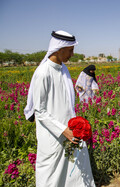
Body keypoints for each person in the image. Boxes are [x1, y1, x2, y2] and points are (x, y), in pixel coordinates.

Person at [24, 30, 95, 186]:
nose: (72, 54)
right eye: (70, 50)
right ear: (59, 49)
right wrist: (63, 130)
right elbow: (40, 112)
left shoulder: (63, 69)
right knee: (51, 173)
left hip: (69, 129)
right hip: (52, 133)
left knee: (74, 169)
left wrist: (73, 127)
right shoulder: (43, 73)